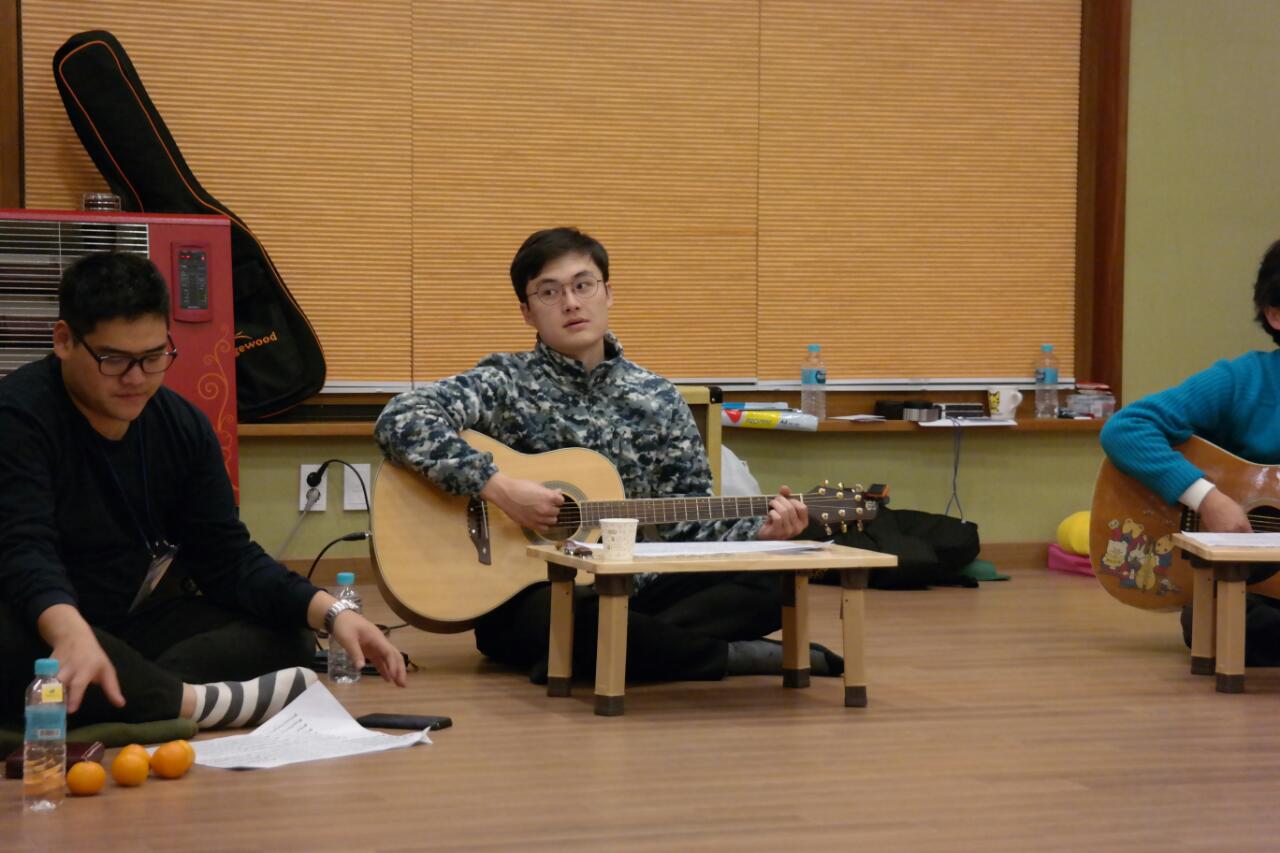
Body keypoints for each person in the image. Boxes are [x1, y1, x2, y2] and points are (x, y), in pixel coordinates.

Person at [375, 227, 842, 682]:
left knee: (773, 582)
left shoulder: (657, 398)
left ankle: (605, 654)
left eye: (583, 285)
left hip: (640, 586)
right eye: (549, 292)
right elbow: (401, 418)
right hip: (537, 594)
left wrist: (757, 532)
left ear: (608, 293)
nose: (571, 302)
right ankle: (730, 658)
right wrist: (499, 489)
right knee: (575, 620)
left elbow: (690, 523)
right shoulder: (504, 382)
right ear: (527, 312)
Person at [0, 252, 407, 731]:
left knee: (290, 633)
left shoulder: (181, 425)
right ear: (64, 341)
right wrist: (69, 631)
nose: (137, 378)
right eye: (115, 360)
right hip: (42, 617)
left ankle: (130, 690)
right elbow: (24, 551)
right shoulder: (18, 416)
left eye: (154, 357)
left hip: (128, 625)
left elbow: (228, 557)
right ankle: (186, 702)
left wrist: (333, 612)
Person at [1099, 238, 1280, 663]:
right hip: (1252, 586)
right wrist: (1207, 499)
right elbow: (1127, 428)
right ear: (1275, 314)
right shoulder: (1242, 379)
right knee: (1213, 623)